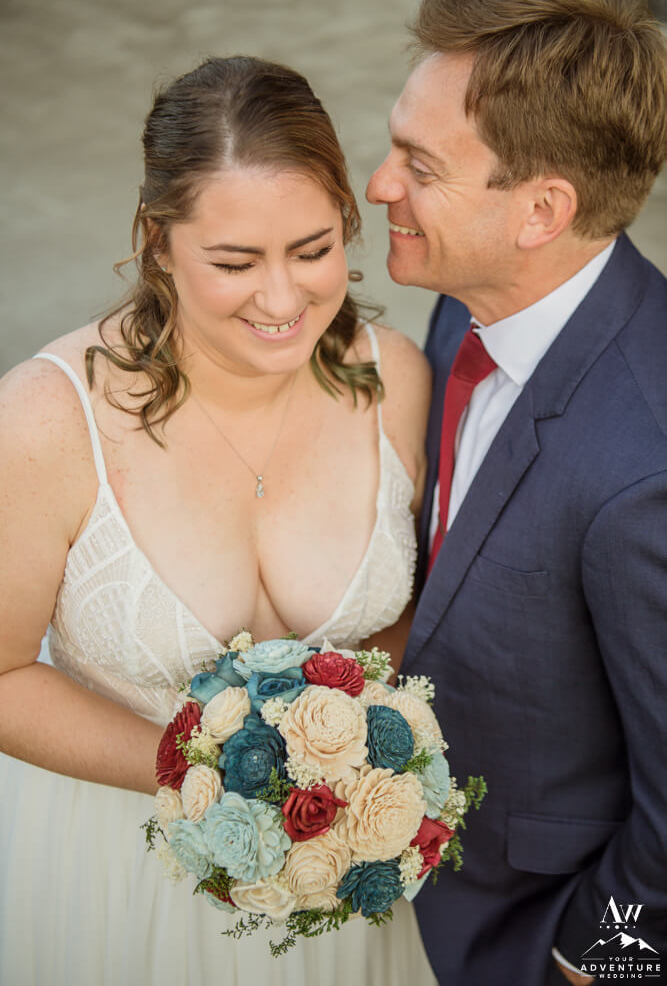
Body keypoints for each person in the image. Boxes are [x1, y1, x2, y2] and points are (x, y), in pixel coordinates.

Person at [0, 56, 437, 986]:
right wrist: (208, 775)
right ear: (157, 242)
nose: (280, 301)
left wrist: (356, 753)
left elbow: (409, 609)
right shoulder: (44, 420)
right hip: (119, 876)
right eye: (234, 263)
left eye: (312, 250)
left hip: (344, 870)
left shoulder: (394, 379)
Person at [366, 0, 667, 984]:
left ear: (541, 210)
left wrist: (593, 964)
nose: (378, 185)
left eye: (420, 167)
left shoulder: (647, 466)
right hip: (412, 894)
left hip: (531, 936)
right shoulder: (463, 301)